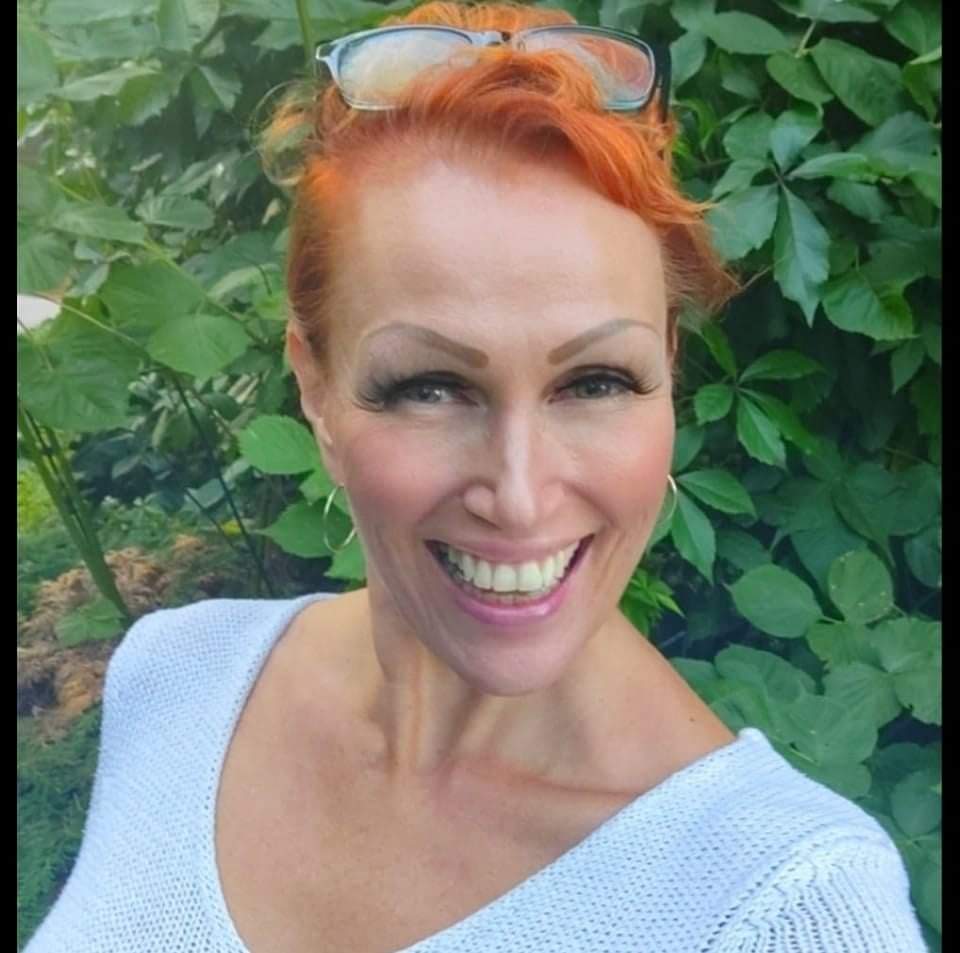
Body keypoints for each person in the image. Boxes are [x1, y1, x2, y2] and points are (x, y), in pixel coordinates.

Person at [25, 2, 928, 951]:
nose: (521, 494)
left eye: (595, 381)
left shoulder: (792, 910)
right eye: (430, 387)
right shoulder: (174, 676)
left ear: (668, 368)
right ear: (315, 389)